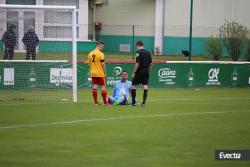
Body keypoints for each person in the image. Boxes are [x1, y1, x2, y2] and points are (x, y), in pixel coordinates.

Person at [131, 40, 152, 106]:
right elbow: (151, 63)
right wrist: (148, 71)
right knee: (145, 86)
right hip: (146, 71)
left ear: (137, 45)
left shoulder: (138, 52)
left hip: (139, 71)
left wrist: (134, 72)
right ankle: (143, 103)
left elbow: (138, 63)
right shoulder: (148, 52)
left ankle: (134, 102)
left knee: (133, 85)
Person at [88, 40, 109, 106]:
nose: (103, 48)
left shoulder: (90, 53)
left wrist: (91, 71)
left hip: (93, 72)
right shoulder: (101, 54)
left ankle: (96, 103)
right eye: (102, 46)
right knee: (103, 86)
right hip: (100, 72)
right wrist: (105, 73)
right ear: (99, 45)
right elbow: (103, 65)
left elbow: (89, 64)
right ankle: (105, 103)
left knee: (95, 86)